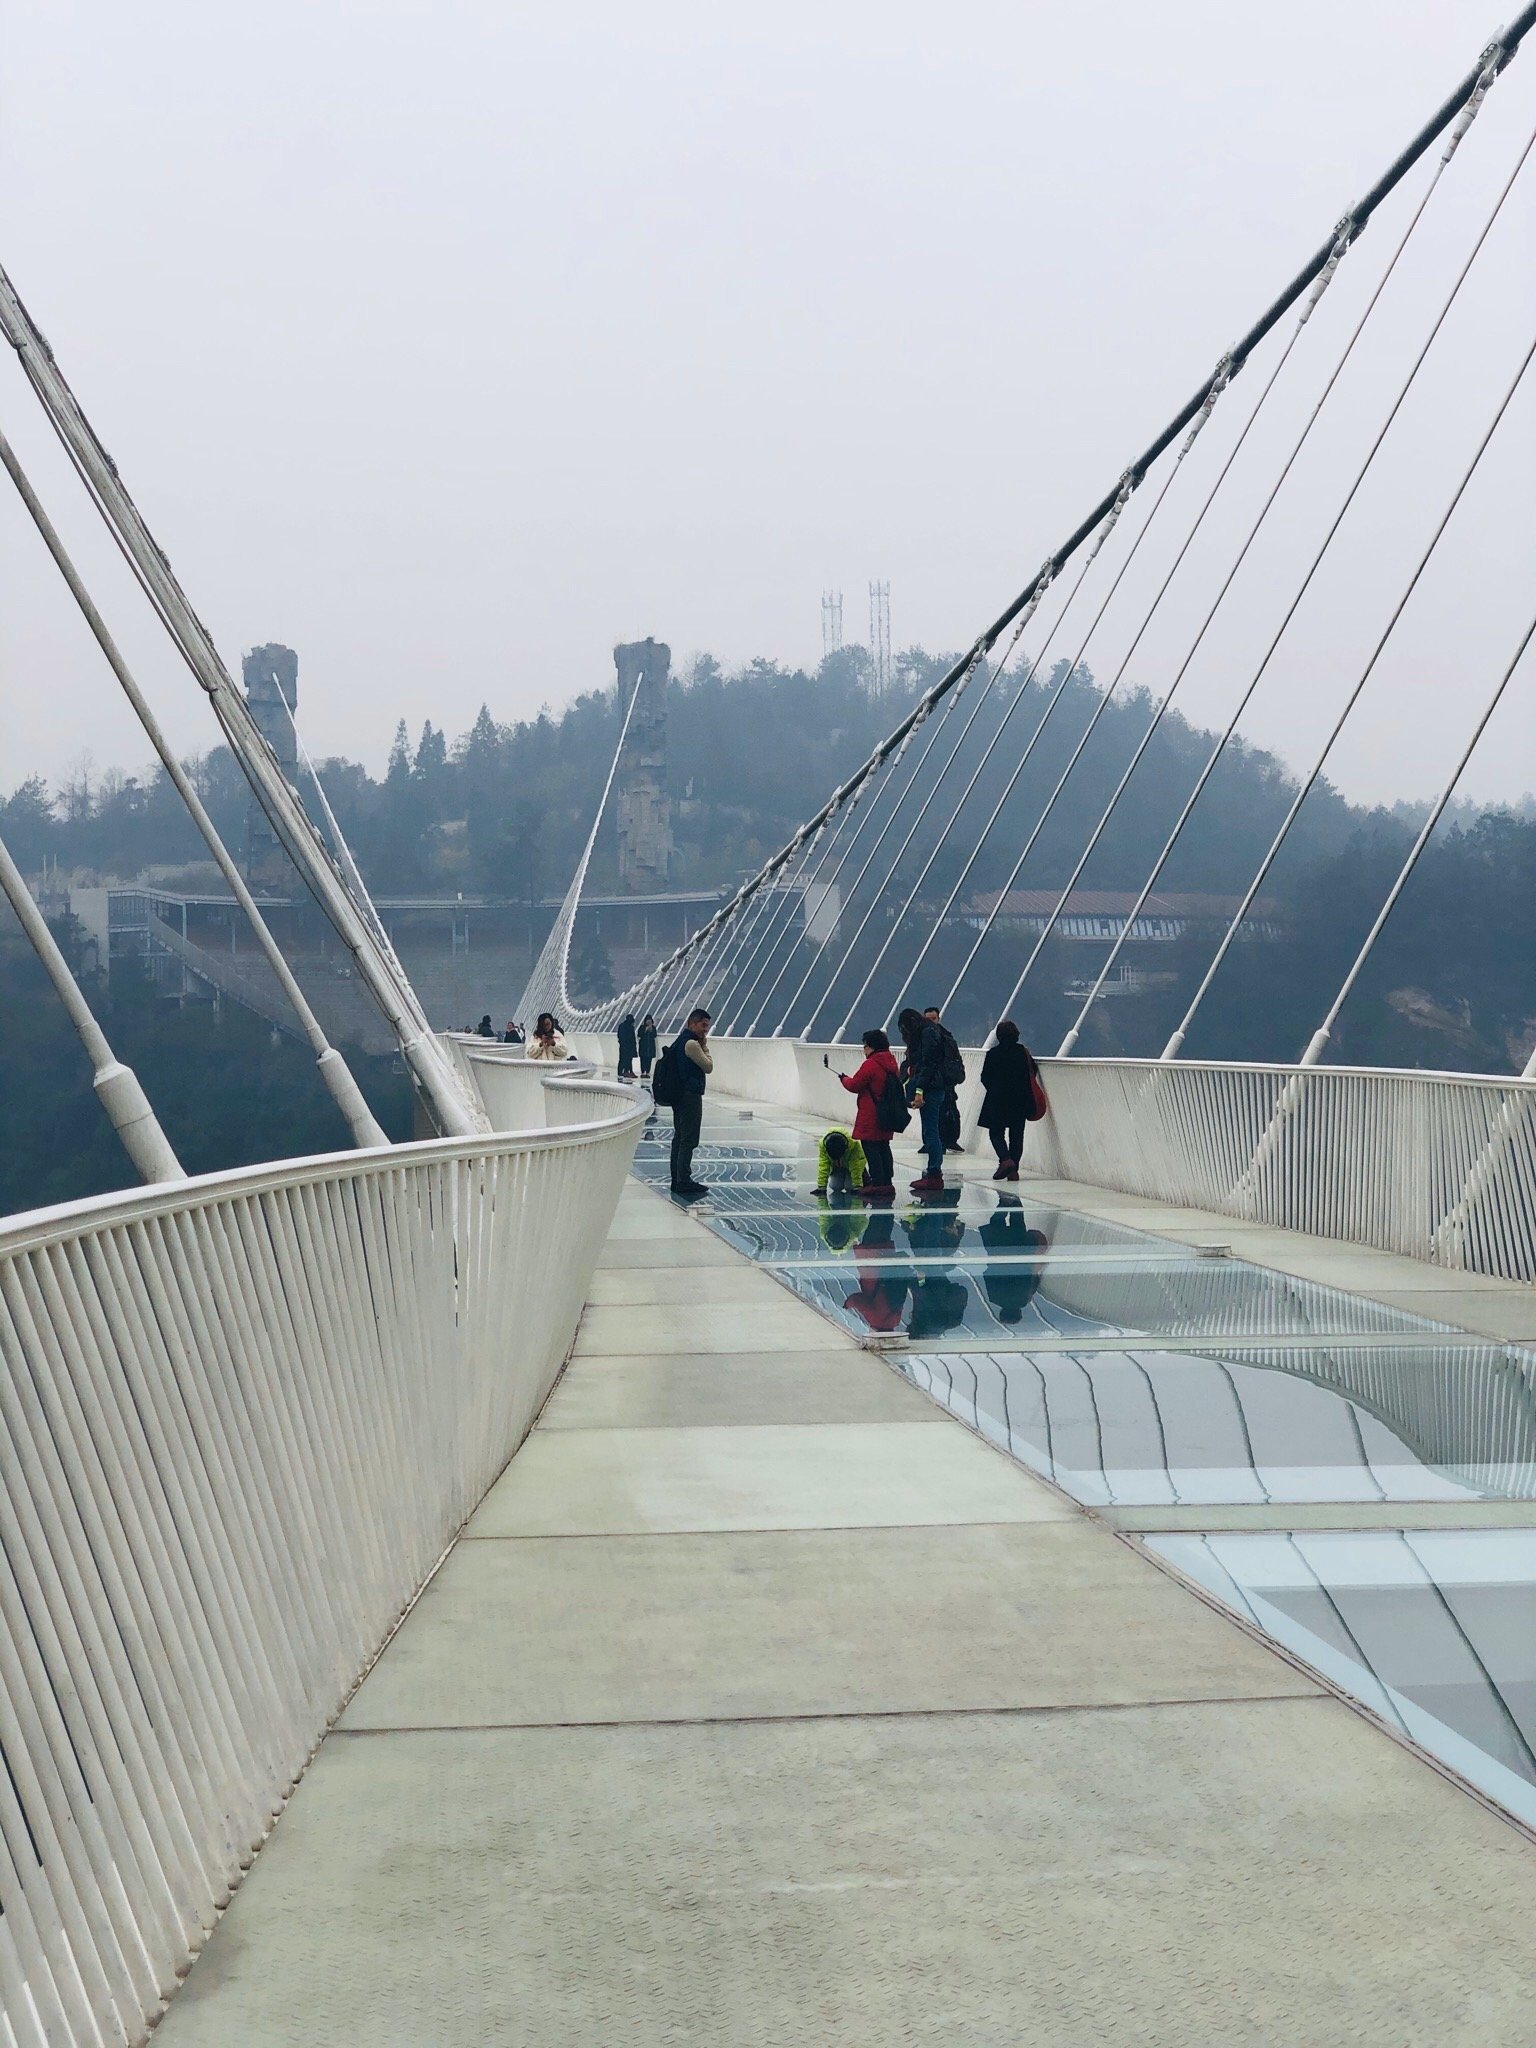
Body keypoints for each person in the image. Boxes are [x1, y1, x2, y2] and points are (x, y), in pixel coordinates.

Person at [837, 1027, 901, 1197]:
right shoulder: (891, 1063)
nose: (864, 1050)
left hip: (871, 1114)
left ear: (871, 1047)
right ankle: (887, 1182)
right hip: (887, 1113)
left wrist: (844, 1079)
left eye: (865, 1046)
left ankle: (878, 1183)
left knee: (871, 1147)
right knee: (884, 1147)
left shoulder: (871, 1064)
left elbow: (854, 1085)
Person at [978, 1019, 1043, 1181]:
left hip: (997, 1100)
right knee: (1017, 1135)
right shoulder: (1023, 1052)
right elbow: (1032, 1071)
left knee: (996, 1133)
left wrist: (994, 1089)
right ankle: (1014, 1169)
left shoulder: (993, 1054)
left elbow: (984, 1077)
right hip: (1020, 1100)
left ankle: (1005, 1160)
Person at [898, 1007, 953, 1194]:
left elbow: (927, 1065)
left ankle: (934, 1174)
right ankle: (933, 1172)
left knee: (931, 1131)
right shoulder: (930, 1033)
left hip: (931, 1089)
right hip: (933, 1087)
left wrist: (919, 1091)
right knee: (930, 1130)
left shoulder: (927, 1035)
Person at [666, 1006, 713, 1196]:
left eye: (707, 1026)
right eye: (703, 1025)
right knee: (688, 1139)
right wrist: (705, 1045)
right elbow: (708, 1066)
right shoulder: (692, 1044)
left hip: (680, 1095)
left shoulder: (680, 1041)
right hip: (689, 1095)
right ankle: (683, 1180)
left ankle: (677, 1179)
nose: (705, 1029)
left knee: (679, 1137)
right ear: (691, 1024)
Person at [924, 1005, 965, 1153]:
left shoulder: (947, 1037)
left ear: (938, 1019)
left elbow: (955, 1057)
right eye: (927, 1019)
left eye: (933, 1019)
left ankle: (950, 1140)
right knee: (933, 1114)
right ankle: (934, 1143)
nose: (930, 1022)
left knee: (950, 1111)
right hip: (930, 1082)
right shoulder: (920, 1038)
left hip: (946, 1081)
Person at [815, 1128, 867, 1198]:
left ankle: (863, 1178)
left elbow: (855, 1166)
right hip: (838, 1167)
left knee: (849, 1187)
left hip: (852, 1166)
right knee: (835, 1186)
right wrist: (821, 1187)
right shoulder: (823, 1145)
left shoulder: (853, 1145)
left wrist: (857, 1186)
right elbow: (823, 1165)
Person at [616, 1012, 638, 1079]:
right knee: (628, 1059)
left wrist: (621, 1042)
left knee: (622, 1059)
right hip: (629, 1046)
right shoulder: (630, 1027)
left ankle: (621, 1072)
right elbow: (632, 1038)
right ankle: (628, 1071)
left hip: (623, 1046)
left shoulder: (621, 1026)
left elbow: (619, 1036)